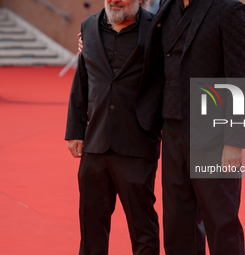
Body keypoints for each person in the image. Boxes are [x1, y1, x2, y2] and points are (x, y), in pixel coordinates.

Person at [78, 0, 245, 254]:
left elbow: (240, 77)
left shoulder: (229, 9)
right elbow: (138, 37)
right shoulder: (166, 8)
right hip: (171, 128)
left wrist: (235, 140)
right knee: (178, 221)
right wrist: (92, 38)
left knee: (221, 221)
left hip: (213, 132)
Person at [65, 0, 164, 254]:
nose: (115, 0)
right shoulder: (88, 26)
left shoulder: (157, 28)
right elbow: (82, 80)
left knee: (143, 228)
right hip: (95, 142)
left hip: (137, 142)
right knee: (91, 227)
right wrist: (76, 130)